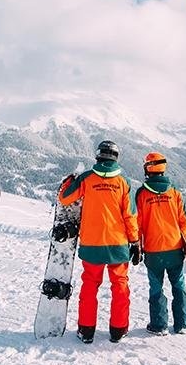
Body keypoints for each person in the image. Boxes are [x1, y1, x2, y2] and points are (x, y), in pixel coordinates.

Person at [57, 140, 140, 344]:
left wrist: (70, 180)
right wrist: (135, 242)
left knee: (90, 286)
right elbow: (129, 215)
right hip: (117, 244)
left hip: (92, 244)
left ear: (98, 155)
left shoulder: (87, 178)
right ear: (116, 158)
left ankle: (86, 331)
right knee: (120, 286)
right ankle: (118, 330)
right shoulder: (123, 182)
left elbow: (65, 198)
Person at [135, 152, 186, 335]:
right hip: (175, 247)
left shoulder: (142, 193)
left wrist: (137, 246)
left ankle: (159, 326)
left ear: (148, 168)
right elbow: (183, 220)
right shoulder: (174, 191)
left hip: (153, 250)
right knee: (178, 284)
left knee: (156, 286)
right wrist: (182, 239)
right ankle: (182, 324)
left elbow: (138, 224)